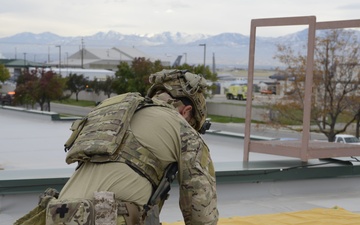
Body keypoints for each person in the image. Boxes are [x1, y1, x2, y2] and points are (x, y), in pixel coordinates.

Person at [15, 69, 218, 225]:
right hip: (104, 218)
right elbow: (201, 213)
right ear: (187, 111)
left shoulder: (117, 111)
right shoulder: (184, 130)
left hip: (56, 215)